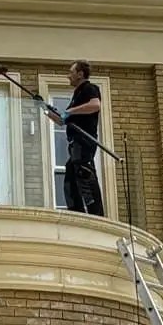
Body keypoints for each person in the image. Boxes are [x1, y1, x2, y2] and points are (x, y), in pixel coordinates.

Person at [52, 59, 104, 215]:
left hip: (84, 140)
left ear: (80, 74)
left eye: (71, 72)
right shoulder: (76, 96)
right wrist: (44, 109)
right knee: (70, 176)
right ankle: (76, 211)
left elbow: (95, 105)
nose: (69, 76)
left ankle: (96, 214)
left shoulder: (89, 88)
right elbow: (62, 120)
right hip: (75, 143)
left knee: (84, 173)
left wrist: (70, 111)